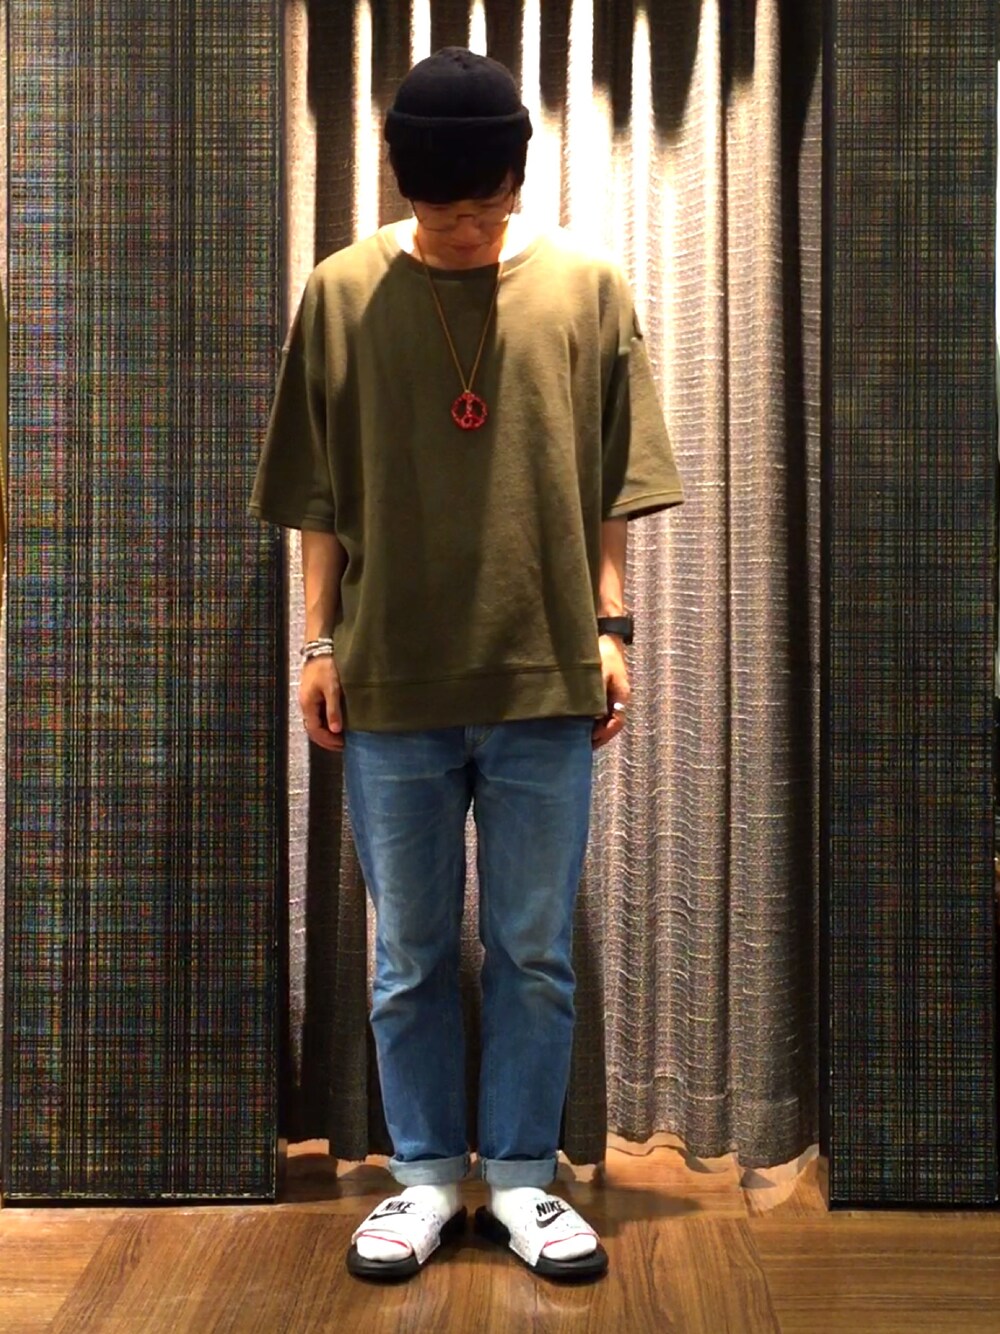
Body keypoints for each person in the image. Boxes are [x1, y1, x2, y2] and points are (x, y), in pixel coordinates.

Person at [250, 46, 683, 1284]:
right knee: (410, 955)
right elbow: (316, 496)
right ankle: (430, 1176)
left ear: (517, 180)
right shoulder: (341, 291)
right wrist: (319, 640)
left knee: (535, 950)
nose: (462, 229)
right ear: (401, 183)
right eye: (440, 208)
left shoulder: (587, 288)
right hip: (390, 677)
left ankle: (528, 1178)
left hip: (543, 674)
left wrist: (612, 627)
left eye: (485, 206)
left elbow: (611, 483)